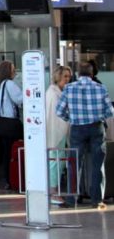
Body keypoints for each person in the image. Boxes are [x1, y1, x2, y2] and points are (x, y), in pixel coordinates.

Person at [56, 61, 114, 210]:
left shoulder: (69, 88)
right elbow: (110, 111)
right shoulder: (100, 88)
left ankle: (71, 200)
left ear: (77, 74)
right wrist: (99, 116)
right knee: (97, 164)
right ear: (92, 74)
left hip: (77, 129)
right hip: (96, 128)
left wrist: (73, 119)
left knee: (74, 164)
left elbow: (59, 111)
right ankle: (97, 200)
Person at [0, 60, 23, 190]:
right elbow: (20, 99)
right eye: (13, 69)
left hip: (1, 122)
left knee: (6, 152)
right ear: (8, 71)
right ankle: (14, 177)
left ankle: (6, 178)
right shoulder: (10, 84)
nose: (15, 71)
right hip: (11, 123)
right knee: (13, 151)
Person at [46, 65, 72, 203]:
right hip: (56, 133)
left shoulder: (58, 92)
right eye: (65, 77)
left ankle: (54, 190)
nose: (67, 80)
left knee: (58, 161)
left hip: (60, 132)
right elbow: (55, 116)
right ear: (58, 77)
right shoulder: (53, 93)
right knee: (55, 162)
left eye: (69, 77)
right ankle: (52, 192)